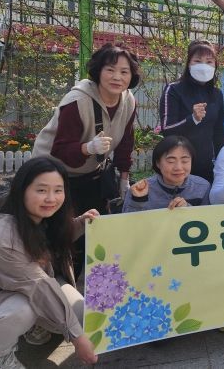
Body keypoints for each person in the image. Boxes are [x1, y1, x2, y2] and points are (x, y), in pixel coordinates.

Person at [33, 44, 139, 276]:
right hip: (54, 172)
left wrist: (124, 178)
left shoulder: (129, 101)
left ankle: (85, 287)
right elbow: (60, 150)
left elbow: (126, 141)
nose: (117, 77)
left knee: (92, 229)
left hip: (91, 172)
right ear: (98, 71)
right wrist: (88, 148)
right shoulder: (77, 101)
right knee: (59, 235)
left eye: (124, 71)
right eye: (110, 70)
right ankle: (53, 285)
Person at [0, 157, 99, 368]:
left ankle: (37, 325)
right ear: (22, 190)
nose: (51, 198)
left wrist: (82, 223)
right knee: (24, 308)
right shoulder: (1, 237)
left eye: (58, 190)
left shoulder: (43, 218)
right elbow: (38, 285)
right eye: (42, 190)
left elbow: (54, 241)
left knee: (83, 317)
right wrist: (77, 338)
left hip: (32, 286)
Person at [160, 40, 224, 183]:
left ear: (215, 66)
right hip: (178, 167)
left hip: (206, 167)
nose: (204, 66)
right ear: (189, 64)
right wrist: (193, 119)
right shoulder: (174, 89)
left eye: (209, 62)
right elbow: (167, 129)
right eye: (197, 61)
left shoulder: (217, 94)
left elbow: (219, 133)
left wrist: (222, 162)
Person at [123, 136, 210, 212]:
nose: (178, 167)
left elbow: (208, 219)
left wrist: (188, 209)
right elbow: (127, 222)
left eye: (185, 161)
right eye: (171, 161)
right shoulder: (139, 190)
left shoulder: (202, 187)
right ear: (158, 163)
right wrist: (138, 200)